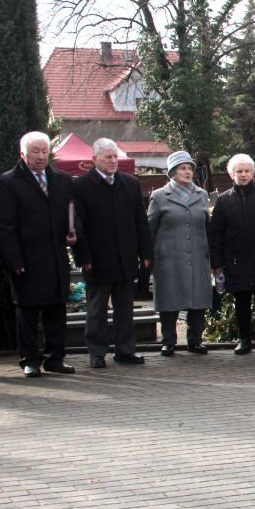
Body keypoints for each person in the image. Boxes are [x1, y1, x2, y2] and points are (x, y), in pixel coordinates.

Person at [0, 131, 77, 378]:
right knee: (27, 313)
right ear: (23, 154)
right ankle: (30, 360)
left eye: (44, 151)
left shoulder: (62, 179)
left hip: (55, 257)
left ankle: (55, 358)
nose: (41, 157)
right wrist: (13, 259)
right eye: (35, 152)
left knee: (56, 311)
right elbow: (4, 226)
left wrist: (74, 233)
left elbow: (72, 213)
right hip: (26, 259)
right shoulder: (8, 182)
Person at [72, 138, 152, 368]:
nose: (113, 161)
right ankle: (97, 352)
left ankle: (125, 350)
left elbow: (140, 221)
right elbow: (79, 226)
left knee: (125, 309)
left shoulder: (130, 183)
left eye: (116, 156)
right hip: (96, 260)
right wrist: (83, 257)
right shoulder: (80, 186)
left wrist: (145, 252)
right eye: (108, 157)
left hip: (125, 257)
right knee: (96, 311)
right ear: (94, 159)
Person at [148, 151, 213, 356]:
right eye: (182, 168)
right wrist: (149, 256)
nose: (187, 172)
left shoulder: (201, 195)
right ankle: (168, 341)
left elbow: (207, 226)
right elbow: (150, 228)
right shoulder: (159, 196)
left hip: (197, 256)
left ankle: (195, 340)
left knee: (197, 300)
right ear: (172, 173)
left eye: (190, 168)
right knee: (169, 299)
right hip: (169, 258)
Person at [210, 154, 255, 356]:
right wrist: (217, 263)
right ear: (231, 174)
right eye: (239, 171)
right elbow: (216, 235)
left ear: (253, 173)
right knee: (242, 303)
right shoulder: (223, 201)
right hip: (236, 261)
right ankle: (244, 339)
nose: (244, 174)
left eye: (247, 171)